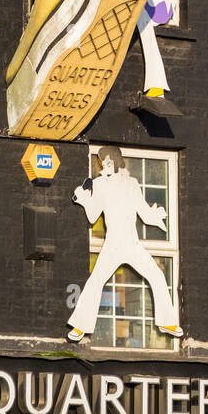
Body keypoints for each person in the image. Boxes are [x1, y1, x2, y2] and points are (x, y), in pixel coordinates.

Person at [67, 146, 181, 342]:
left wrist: (156, 215)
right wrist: (85, 199)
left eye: (107, 159)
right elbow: (94, 215)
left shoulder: (132, 183)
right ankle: (80, 326)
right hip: (113, 244)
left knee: (157, 275)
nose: (105, 163)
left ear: (115, 159)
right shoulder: (99, 184)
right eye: (103, 160)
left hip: (132, 242)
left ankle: (167, 321)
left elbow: (143, 211)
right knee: (96, 281)